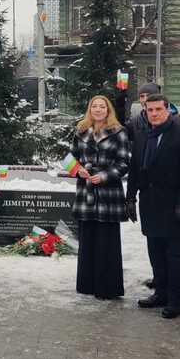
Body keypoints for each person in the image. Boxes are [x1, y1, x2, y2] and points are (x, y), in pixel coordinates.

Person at [126, 94, 180, 318]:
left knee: (173, 255)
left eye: (158, 109)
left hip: (174, 205)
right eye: (150, 110)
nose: (154, 113)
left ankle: (175, 301)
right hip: (150, 204)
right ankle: (161, 293)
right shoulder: (143, 135)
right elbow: (136, 168)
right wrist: (130, 198)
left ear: (168, 110)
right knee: (155, 252)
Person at [71, 96, 130, 300]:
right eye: (94, 106)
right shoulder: (81, 130)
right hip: (86, 190)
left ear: (108, 109)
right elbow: (72, 158)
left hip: (108, 193)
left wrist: (105, 175)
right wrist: (78, 170)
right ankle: (87, 284)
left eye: (102, 106)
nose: (98, 109)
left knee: (107, 241)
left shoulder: (118, 132)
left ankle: (108, 288)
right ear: (90, 109)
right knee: (87, 239)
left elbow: (123, 163)